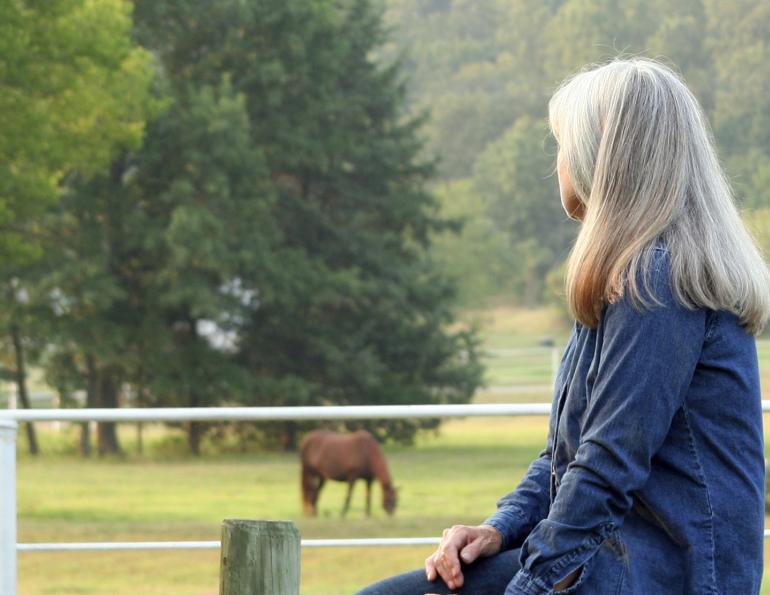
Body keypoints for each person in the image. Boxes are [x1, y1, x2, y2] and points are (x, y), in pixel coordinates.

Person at [357, 56, 770, 595]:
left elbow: (606, 465)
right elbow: (567, 457)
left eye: (562, 145)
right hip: (618, 558)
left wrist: (530, 585)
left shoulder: (656, 282)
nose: (558, 163)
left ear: (598, 158)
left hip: (668, 574)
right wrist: (498, 529)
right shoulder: (628, 278)